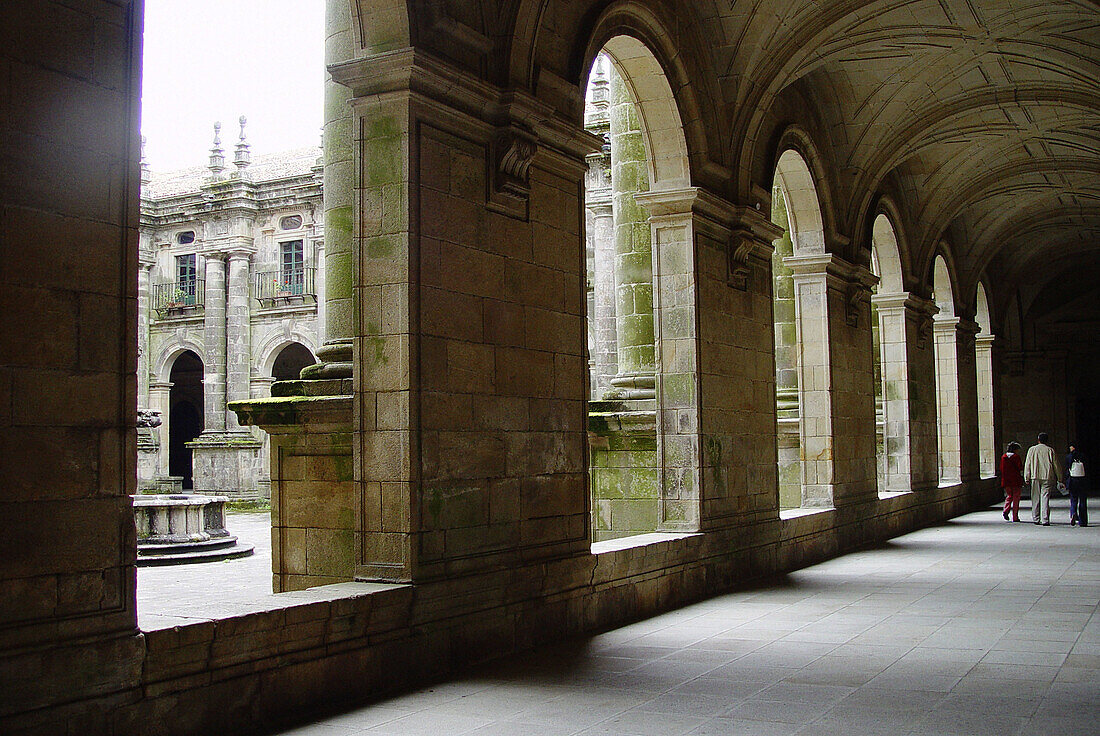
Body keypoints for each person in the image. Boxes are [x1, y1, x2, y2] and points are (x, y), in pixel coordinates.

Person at [1023, 432, 1063, 526]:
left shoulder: (1032, 450)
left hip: (1035, 476)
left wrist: (1026, 476)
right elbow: (1056, 465)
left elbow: (1027, 464)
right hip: (1047, 476)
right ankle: (1045, 519)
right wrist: (1059, 478)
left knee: (1035, 498)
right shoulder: (1050, 450)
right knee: (1045, 498)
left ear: (1038, 440)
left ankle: (1036, 518)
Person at [1000, 441, 1024, 522]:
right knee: (1016, 498)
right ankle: (1015, 517)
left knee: (1009, 496)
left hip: (1006, 481)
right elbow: (1020, 468)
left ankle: (1006, 510)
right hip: (1016, 480)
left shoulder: (1003, 457)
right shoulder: (1016, 457)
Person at [1066, 444, 1088, 527]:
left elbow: (1067, 469)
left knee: (1073, 499)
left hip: (1073, 480)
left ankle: (1073, 513)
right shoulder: (1083, 456)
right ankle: (1083, 521)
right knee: (1082, 500)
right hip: (1082, 480)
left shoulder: (1069, 457)